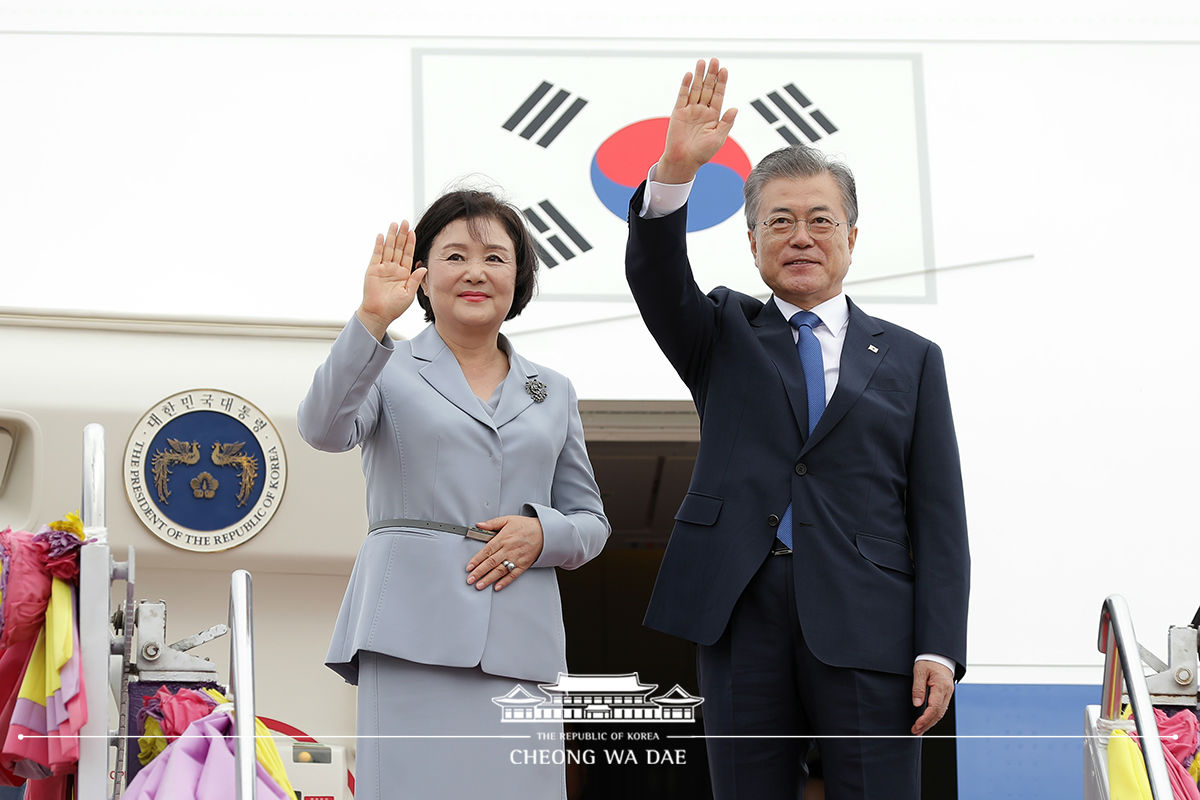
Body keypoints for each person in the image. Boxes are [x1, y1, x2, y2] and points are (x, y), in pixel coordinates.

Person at [624, 58, 969, 799]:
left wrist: (940, 645)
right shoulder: (722, 331)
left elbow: (939, 516)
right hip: (740, 608)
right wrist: (676, 169)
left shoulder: (912, 359)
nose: (801, 236)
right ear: (752, 241)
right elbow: (656, 278)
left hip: (870, 618)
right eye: (780, 220)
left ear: (851, 235)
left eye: (820, 219)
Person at [298, 189, 610, 800]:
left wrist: (544, 533)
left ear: (517, 278)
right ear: (423, 275)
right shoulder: (385, 365)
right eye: (455, 256)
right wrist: (369, 321)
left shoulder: (554, 389)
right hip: (410, 631)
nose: (475, 271)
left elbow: (592, 520)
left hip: (521, 641)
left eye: (495, 257)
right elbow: (322, 428)